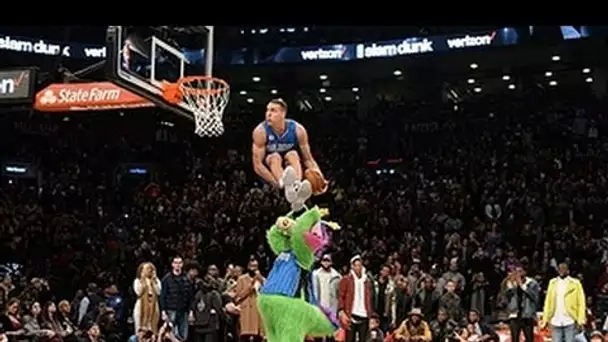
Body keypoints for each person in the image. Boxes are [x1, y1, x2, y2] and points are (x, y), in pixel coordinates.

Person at [251, 98, 325, 205]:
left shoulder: (298, 129)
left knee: (293, 154)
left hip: (291, 163)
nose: (268, 114)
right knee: (275, 156)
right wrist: (276, 183)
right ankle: (285, 184)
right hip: (271, 169)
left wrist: (319, 175)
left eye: (273, 110)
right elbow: (257, 165)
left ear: (283, 113)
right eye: (267, 110)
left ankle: (296, 185)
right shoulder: (260, 131)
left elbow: (308, 159)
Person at [539, 263, 586, 342]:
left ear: (568, 271)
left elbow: (581, 303)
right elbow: (548, 302)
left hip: (570, 319)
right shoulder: (552, 283)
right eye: (560, 268)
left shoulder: (575, 283)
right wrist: (545, 319)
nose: (562, 270)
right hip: (555, 319)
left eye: (564, 268)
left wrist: (580, 320)